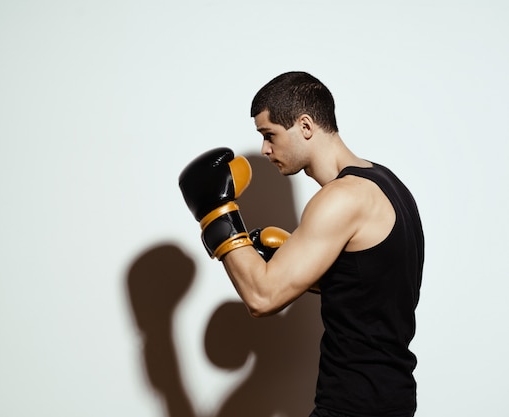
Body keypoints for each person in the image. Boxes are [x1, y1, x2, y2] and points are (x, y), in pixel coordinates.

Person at [178, 71, 424, 417]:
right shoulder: (387, 184)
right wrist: (289, 254)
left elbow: (262, 298)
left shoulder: (340, 199)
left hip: (353, 406)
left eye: (270, 135)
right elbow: (371, 284)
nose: (265, 149)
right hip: (390, 397)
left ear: (305, 125)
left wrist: (215, 212)